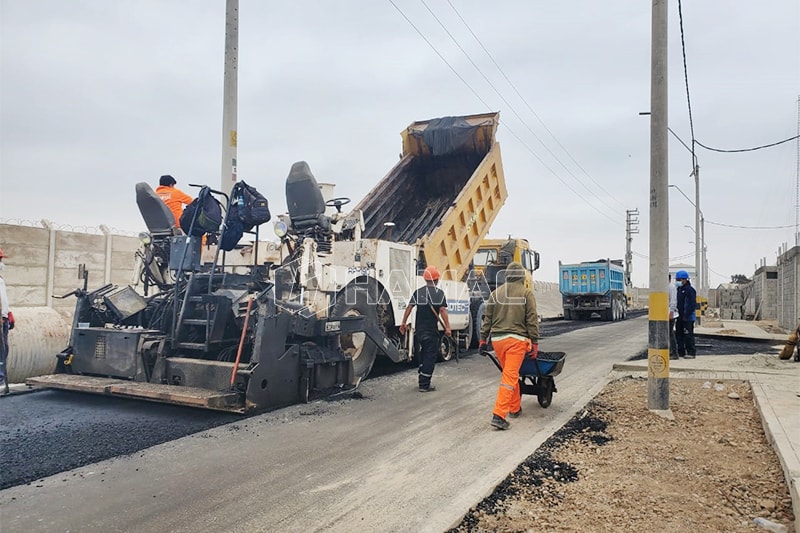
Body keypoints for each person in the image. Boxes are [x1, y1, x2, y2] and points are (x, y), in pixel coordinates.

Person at [479, 262, 539, 430]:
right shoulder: (526, 293)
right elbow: (532, 319)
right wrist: (534, 342)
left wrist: (483, 339)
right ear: (522, 277)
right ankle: (499, 415)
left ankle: (515, 408)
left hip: (498, 341)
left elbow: (487, 319)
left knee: (509, 374)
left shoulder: (495, 294)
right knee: (510, 377)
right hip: (517, 341)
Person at [399, 265, 452, 392]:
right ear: (437, 279)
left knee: (422, 353)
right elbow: (443, 310)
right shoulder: (439, 293)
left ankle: (422, 374)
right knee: (430, 355)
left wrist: (403, 323)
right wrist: (448, 328)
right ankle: (424, 384)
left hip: (419, 331)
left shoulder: (419, 292)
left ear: (425, 279)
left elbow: (409, 308)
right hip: (431, 331)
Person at [675, 270, 697, 359]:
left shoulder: (690, 290)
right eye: (677, 279)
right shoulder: (679, 290)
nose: (678, 281)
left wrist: (686, 315)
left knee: (688, 335)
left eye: (679, 279)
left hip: (688, 318)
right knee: (679, 335)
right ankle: (681, 352)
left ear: (685, 279)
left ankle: (691, 352)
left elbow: (691, 304)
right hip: (679, 317)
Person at [0, 247, 13, 394]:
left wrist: (8, 313)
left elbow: (3, 299)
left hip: (3, 319)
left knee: (4, 349)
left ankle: (1, 377)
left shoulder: (1, 280)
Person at [668, 273, 679, 360]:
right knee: (668, 334)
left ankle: (674, 353)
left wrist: (671, 312)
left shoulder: (671, 287)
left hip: (670, 314)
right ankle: (671, 351)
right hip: (666, 313)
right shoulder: (667, 287)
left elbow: (673, 300)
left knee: (671, 334)